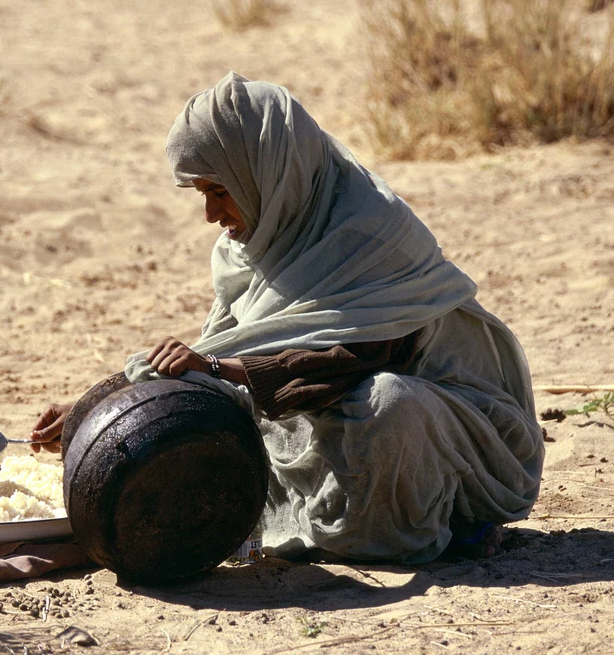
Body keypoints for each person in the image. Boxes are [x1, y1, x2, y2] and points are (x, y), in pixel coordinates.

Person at [30, 73, 544, 563]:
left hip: (446, 428)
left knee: (387, 404)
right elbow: (224, 350)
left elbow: (355, 360)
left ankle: (448, 516)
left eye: (218, 191)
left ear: (264, 174)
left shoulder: (369, 233)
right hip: (322, 407)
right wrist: (96, 412)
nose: (210, 215)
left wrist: (214, 368)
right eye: (203, 194)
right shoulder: (253, 243)